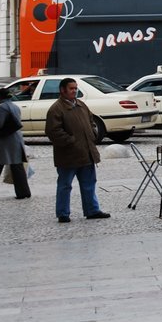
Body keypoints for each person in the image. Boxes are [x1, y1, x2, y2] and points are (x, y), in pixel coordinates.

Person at [45, 78, 110, 222]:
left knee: (89, 184)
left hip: (86, 153)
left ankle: (92, 210)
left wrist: (93, 133)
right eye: (71, 88)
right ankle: (63, 213)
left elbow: (92, 121)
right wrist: (70, 141)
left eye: (76, 88)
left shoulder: (81, 105)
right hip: (68, 155)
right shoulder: (56, 109)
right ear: (63, 90)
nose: (75, 91)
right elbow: (53, 131)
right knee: (65, 185)